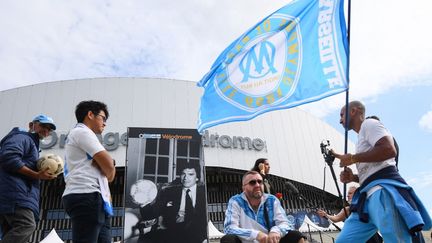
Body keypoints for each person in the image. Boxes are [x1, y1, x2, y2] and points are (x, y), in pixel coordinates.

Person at [331, 100, 431, 242]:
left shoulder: (370, 123)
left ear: (353, 111)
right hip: (365, 200)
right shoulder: (360, 138)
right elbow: (374, 171)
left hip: (381, 193)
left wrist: (353, 158)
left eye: (342, 115)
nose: (340, 120)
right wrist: (353, 177)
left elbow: (389, 150)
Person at [62, 100, 116, 243]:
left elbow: (108, 168)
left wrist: (107, 167)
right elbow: (109, 167)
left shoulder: (80, 134)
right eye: (103, 118)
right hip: (86, 194)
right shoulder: (82, 132)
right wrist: (109, 169)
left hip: (93, 197)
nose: (105, 123)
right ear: (90, 114)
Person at [0, 114, 57, 242]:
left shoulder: (32, 144)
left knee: (17, 237)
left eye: (49, 129)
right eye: (43, 126)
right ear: (32, 125)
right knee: (26, 225)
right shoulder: (22, 137)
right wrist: (36, 175)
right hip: (15, 195)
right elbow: (8, 157)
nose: (46, 130)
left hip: (14, 195)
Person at [221, 171, 307, 243]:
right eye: (252, 182)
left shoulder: (271, 200)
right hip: (246, 241)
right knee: (228, 240)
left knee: (296, 236)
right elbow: (229, 228)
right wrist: (256, 234)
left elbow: (285, 223)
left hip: (270, 241)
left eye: (260, 181)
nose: (257, 185)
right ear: (244, 187)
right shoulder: (236, 201)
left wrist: (276, 231)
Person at [139, 161, 207, 243]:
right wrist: (143, 203)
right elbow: (151, 214)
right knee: (145, 239)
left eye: (190, 174)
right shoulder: (169, 192)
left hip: (197, 233)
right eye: (183, 174)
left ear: (197, 178)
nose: (185, 178)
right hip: (173, 231)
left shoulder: (205, 193)